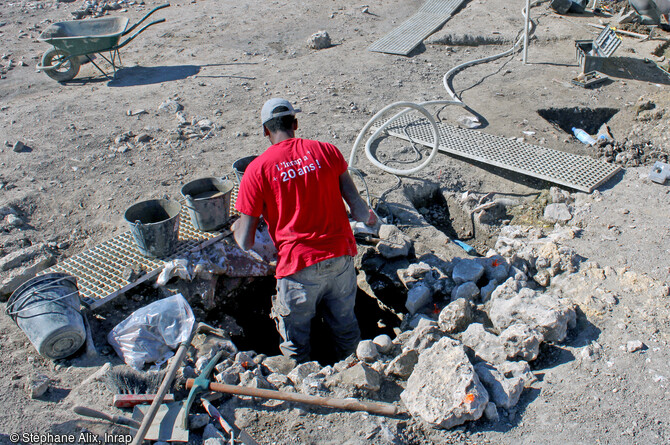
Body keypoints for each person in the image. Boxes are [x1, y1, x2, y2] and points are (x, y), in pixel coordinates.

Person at [232, 98, 377, 363]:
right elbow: (359, 210)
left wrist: (236, 226)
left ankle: (306, 391)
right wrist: (369, 216)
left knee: (297, 345)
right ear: (295, 124)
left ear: (265, 131)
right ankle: (356, 376)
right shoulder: (326, 151)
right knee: (346, 330)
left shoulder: (256, 170)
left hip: (298, 270)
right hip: (340, 260)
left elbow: (244, 241)